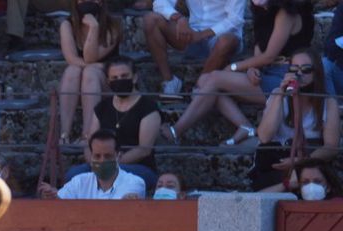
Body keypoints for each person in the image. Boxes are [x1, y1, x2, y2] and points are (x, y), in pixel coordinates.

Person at [164, 0, 313, 147]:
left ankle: (175, 131)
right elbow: (259, 53)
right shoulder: (264, 12)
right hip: (266, 72)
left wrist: (234, 67)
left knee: (213, 79)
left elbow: (269, 56)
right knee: (205, 81)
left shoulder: (286, 13)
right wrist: (252, 69)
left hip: (285, 77)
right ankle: (245, 126)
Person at [66, 57, 160, 190]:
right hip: (102, 165)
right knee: (73, 174)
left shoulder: (148, 107)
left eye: (124, 76)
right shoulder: (102, 107)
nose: (119, 80)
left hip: (137, 167)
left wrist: (113, 165)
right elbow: (89, 143)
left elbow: (143, 150)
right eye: (114, 78)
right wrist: (96, 164)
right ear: (108, 81)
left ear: (134, 78)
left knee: (124, 180)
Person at [250, 50, 339, 190]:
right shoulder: (277, 95)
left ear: (316, 73)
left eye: (306, 69)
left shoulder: (328, 103)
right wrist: (280, 94)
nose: (299, 74)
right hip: (277, 164)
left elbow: (331, 147)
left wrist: (300, 162)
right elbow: (264, 136)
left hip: (310, 163)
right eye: (294, 69)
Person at [142, 0, 246, 97]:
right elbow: (160, 2)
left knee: (226, 41)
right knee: (150, 19)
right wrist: (179, 18)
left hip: (221, 35)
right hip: (192, 31)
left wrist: (202, 35)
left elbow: (235, 19)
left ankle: (200, 88)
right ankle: (170, 82)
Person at [54, 0, 120, 145]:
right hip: (80, 85)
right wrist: (97, 65)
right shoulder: (67, 25)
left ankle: (87, 135)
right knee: (73, 71)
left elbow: (90, 57)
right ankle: (64, 134)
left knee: (90, 72)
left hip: (106, 84)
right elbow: (71, 58)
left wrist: (94, 27)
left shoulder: (112, 26)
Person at [38, 128, 147, 197]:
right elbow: (61, 203)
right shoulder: (79, 182)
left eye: (108, 156)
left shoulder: (134, 182)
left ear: (119, 156)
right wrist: (52, 196)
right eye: (97, 156)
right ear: (91, 156)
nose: (102, 160)